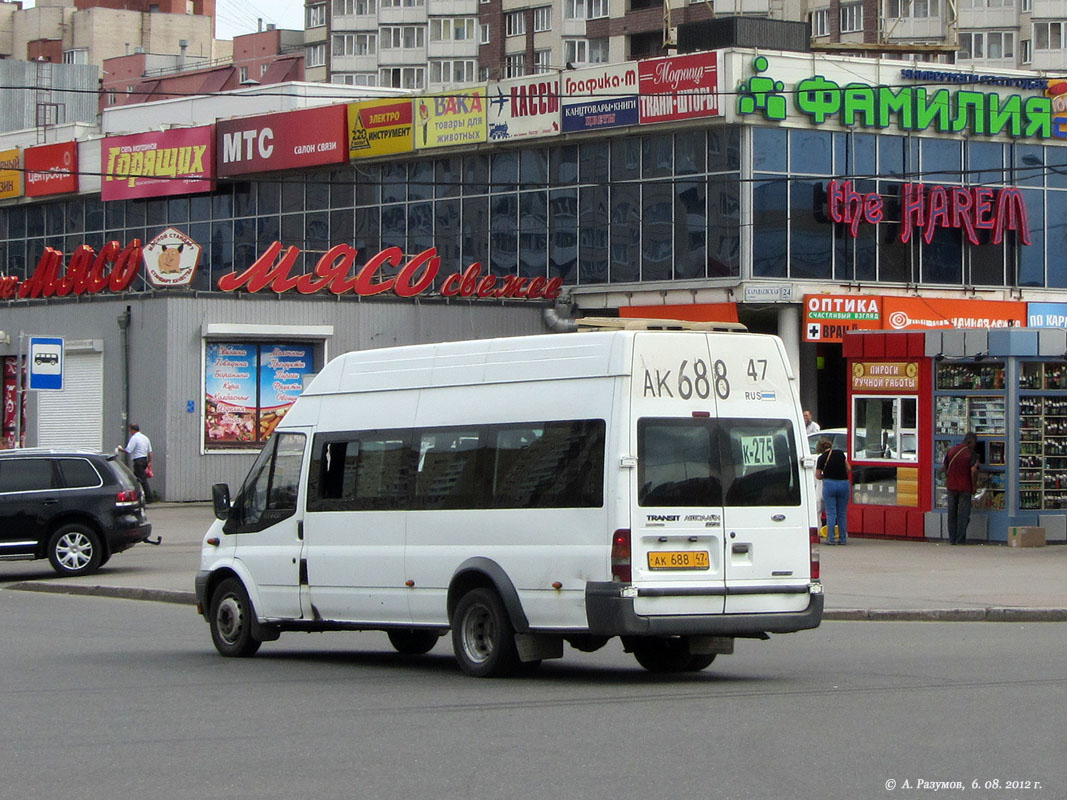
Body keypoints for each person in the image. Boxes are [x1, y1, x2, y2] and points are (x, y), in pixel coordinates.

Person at [943, 432, 979, 545]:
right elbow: (973, 470)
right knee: (963, 514)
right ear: (972, 441)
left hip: (951, 487)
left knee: (951, 513)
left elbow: (943, 468)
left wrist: (949, 477)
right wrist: (974, 485)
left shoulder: (951, 450)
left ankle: (952, 539)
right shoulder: (971, 453)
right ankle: (960, 539)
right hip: (964, 487)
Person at [816, 438, 850, 545]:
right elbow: (848, 468)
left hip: (830, 484)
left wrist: (825, 476)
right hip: (844, 484)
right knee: (842, 513)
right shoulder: (840, 453)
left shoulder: (821, 458)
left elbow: (818, 475)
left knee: (831, 513)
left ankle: (831, 539)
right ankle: (843, 538)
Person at [120, 423, 153, 502]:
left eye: (130, 430)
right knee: (135, 479)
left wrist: (120, 449)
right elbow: (150, 452)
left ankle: (149, 498)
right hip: (144, 459)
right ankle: (137, 496)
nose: (130, 432)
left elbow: (128, 450)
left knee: (141, 480)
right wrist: (149, 462)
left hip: (138, 461)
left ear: (132, 430)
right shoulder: (145, 438)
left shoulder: (134, 438)